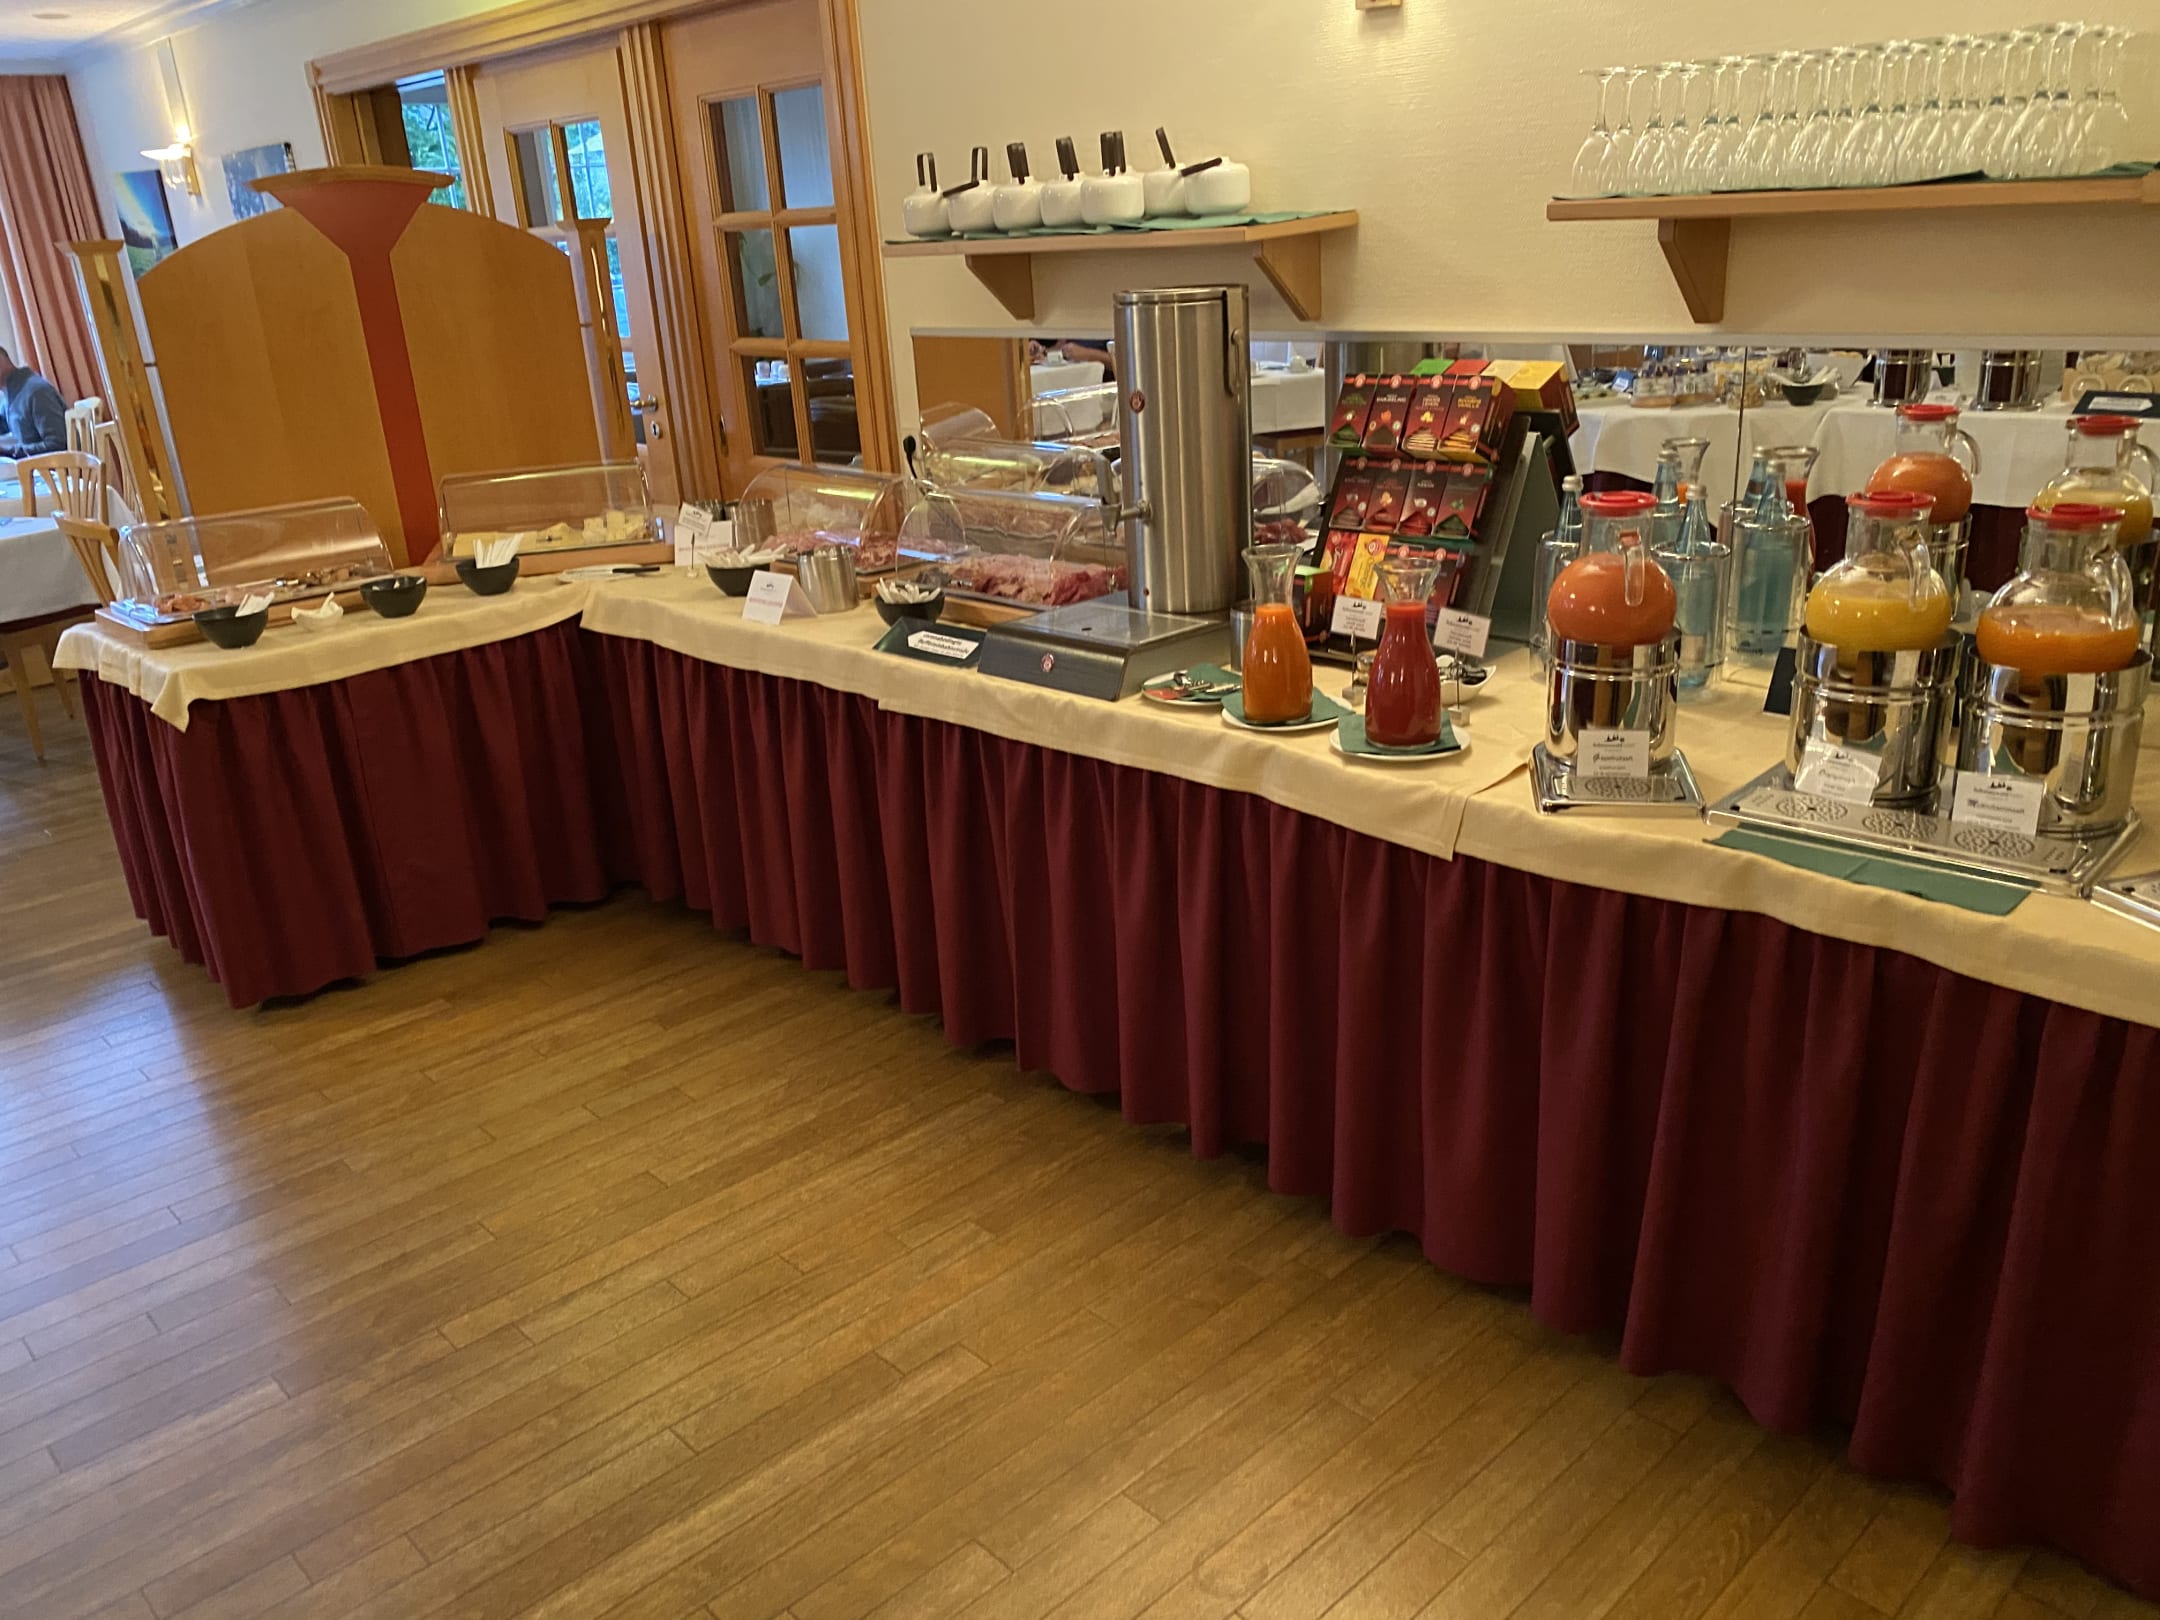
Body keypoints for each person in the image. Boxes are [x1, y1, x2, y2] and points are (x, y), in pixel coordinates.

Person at [0, 349, 67, 456]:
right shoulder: (9, 396)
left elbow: (58, 445)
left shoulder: (37, 392)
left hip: (52, 466)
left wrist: (10, 451)